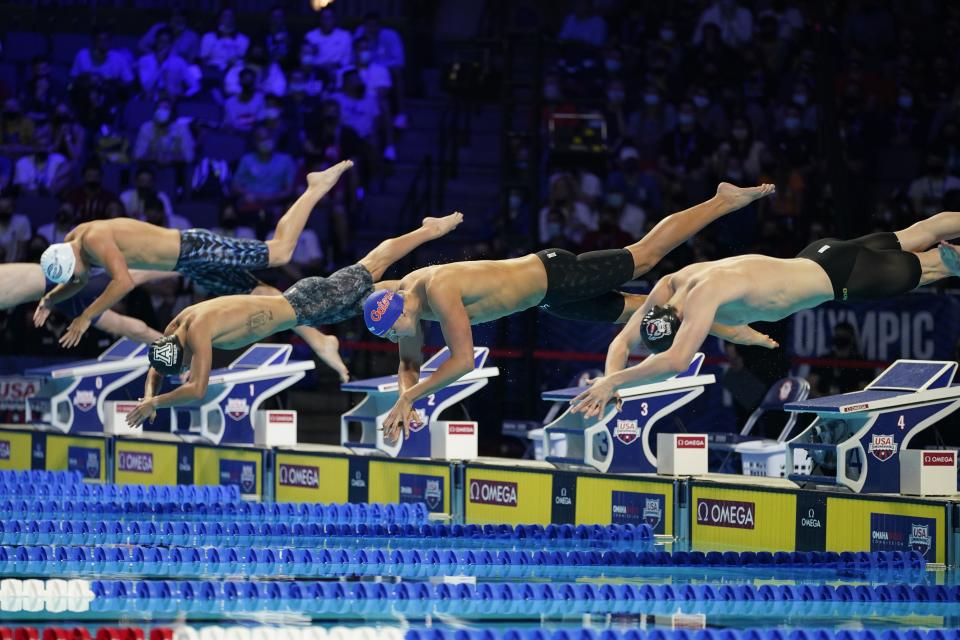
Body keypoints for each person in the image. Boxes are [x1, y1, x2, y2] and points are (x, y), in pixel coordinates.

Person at [361, 183, 776, 441]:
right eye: (389, 339)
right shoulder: (403, 309)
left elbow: (463, 360)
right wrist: (405, 399)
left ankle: (722, 201)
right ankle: (727, 327)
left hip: (554, 272)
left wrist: (412, 396)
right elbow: (410, 363)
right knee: (639, 317)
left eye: (394, 332)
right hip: (549, 299)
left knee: (645, 257)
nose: (396, 341)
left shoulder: (437, 287)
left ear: (399, 310)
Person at [570, 211, 960, 417]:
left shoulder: (706, 294)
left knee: (940, 266)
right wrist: (611, 381)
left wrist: (613, 383)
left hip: (842, 277)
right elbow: (624, 339)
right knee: (923, 229)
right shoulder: (673, 284)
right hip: (820, 253)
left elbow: (675, 361)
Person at [123, 213, 465, 428]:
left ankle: (429, 230)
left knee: (371, 265)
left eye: (183, 365)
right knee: (378, 291)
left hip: (307, 304)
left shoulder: (196, 331)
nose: (185, 368)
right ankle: (420, 285)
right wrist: (148, 392)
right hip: (306, 309)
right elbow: (156, 366)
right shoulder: (174, 329)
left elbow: (196, 389)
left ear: (182, 354)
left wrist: (157, 402)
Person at [34, 161, 353, 350]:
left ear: (70, 256)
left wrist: (86, 316)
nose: (78, 277)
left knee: (280, 251)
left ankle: (314, 187)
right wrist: (51, 299)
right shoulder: (72, 245)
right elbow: (78, 278)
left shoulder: (94, 238)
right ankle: (320, 341)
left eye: (75, 272)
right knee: (261, 293)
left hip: (195, 248)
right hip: (189, 265)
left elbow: (123, 282)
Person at [1, 263, 170, 343]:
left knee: (130, 276)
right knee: (122, 327)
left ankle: (188, 263)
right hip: (58, 296)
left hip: (62, 280)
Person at [232, 127, 296, 213]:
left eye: (268, 138)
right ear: (255, 142)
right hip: (249, 202)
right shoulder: (246, 160)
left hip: (275, 204)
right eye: (260, 139)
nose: (265, 142)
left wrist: (272, 197)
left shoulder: (286, 160)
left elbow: (289, 190)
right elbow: (235, 185)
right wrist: (249, 195)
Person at [133, 99, 195, 165]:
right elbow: (138, 155)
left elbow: (190, 157)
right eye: (160, 108)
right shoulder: (146, 127)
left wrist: (171, 157)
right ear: (155, 112)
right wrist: (155, 157)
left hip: (176, 169)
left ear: (172, 113)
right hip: (150, 168)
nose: (162, 112)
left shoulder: (182, 129)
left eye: (166, 109)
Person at [70, 28, 134, 85]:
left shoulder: (119, 58)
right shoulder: (82, 55)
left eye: (106, 40)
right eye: (100, 40)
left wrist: (110, 83)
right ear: (93, 41)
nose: (103, 44)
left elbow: (129, 81)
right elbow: (73, 78)